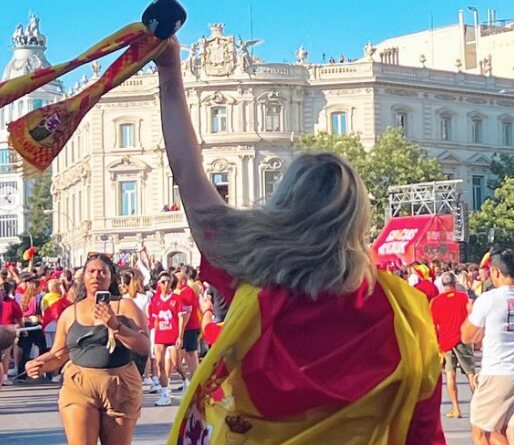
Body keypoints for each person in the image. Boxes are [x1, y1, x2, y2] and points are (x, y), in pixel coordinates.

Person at [156, 38, 445, 445]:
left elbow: (187, 172)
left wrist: (169, 72)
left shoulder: (250, 274)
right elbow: (424, 432)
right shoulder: (404, 313)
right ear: (357, 219)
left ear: (285, 204)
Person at [25, 253, 150, 445]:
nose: (96, 276)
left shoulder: (125, 306)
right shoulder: (70, 312)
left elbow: (144, 346)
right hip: (79, 385)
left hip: (120, 385)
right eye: (91, 271)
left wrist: (116, 325)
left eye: (103, 272)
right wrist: (39, 364)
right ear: (83, 276)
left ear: (112, 277)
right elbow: (59, 355)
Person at [461, 249, 514, 445]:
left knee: (482, 433)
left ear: (496, 271)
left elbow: (466, 336)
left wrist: (470, 312)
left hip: (498, 372)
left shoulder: (489, 299)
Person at [430, 272, 476, 419]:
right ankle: (480, 407)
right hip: (463, 339)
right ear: (455, 284)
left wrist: (437, 344)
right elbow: (471, 314)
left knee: (450, 375)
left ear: (442, 285)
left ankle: (456, 409)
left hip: (445, 342)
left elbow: (433, 325)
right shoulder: (463, 297)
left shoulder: (436, 302)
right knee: (471, 373)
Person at [150, 271, 189, 406]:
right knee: (160, 364)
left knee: (176, 363)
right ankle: (165, 393)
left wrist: (180, 336)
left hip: (173, 335)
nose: (165, 284)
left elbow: (180, 317)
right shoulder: (156, 300)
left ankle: (186, 382)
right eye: (162, 281)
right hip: (160, 335)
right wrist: (154, 338)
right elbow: (154, 319)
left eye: (167, 281)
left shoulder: (176, 299)